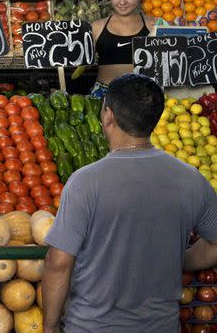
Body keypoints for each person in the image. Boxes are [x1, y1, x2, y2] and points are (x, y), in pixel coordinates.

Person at [42, 73, 217, 333]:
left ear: (108, 116)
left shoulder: (84, 182)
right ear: (155, 120)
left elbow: (58, 263)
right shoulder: (191, 179)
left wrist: (51, 325)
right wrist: (173, 258)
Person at [89, 0, 155, 98]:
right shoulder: (97, 27)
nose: (122, 2)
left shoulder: (153, 25)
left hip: (142, 94)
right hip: (104, 94)